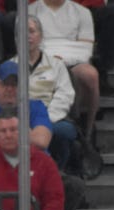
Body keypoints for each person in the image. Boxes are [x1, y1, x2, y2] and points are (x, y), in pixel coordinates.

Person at [31, 0, 101, 145]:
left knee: (90, 75)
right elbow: (30, 44)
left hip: (74, 61)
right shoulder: (30, 11)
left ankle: (87, 132)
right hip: (41, 59)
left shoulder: (82, 12)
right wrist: (54, 58)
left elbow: (85, 48)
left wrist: (61, 59)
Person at [22, 16, 78, 171]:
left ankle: (57, 173)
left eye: (32, 31)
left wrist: (44, 120)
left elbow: (65, 95)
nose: (27, 36)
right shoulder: (10, 66)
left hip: (51, 117)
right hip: (21, 119)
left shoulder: (56, 65)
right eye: (22, 32)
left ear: (40, 35)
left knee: (64, 131)